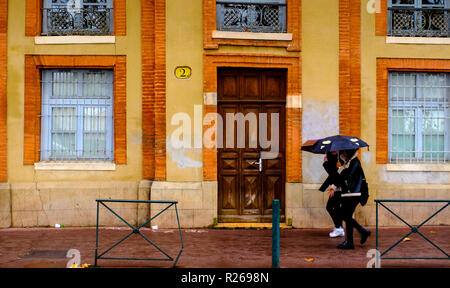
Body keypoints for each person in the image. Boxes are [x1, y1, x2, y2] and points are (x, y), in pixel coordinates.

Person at [328, 149, 371, 249]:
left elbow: (346, 175)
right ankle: (354, 238)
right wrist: (333, 186)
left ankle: (358, 235)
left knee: (344, 215)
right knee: (347, 216)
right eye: (343, 152)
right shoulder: (347, 162)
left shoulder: (355, 162)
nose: (343, 153)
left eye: (345, 152)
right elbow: (339, 175)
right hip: (349, 194)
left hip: (355, 193)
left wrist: (342, 169)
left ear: (350, 152)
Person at [319, 151, 344, 238]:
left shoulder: (340, 157)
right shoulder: (331, 156)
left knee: (329, 207)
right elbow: (332, 174)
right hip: (335, 185)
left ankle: (338, 228)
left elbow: (335, 173)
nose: (334, 150)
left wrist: (325, 164)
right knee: (336, 208)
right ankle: (339, 228)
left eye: (335, 149)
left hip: (339, 186)